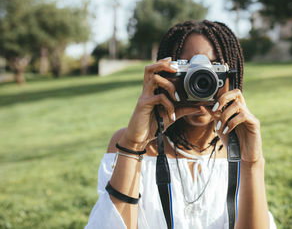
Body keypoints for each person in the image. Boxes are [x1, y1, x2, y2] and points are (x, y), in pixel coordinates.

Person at [85, 20, 277, 229]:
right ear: (165, 74)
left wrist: (251, 163)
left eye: (213, 69)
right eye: (187, 69)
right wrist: (133, 146)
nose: (200, 80)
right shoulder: (127, 143)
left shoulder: (240, 149)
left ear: (232, 76)